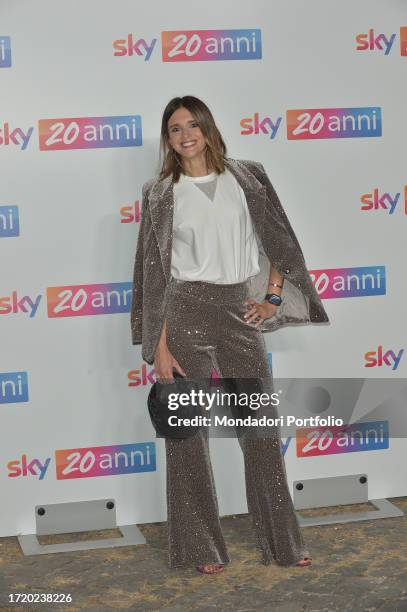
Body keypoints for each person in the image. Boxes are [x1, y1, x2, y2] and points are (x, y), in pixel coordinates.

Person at [131, 95, 329, 575]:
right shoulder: (160, 192)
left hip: (239, 311)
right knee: (186, 436)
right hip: (182, 313)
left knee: (260, 431)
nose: (185, 134)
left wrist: (273, 298)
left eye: (192, 124)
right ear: (168, 139)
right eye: (175, 128)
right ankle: (200, 548)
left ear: (208, 128)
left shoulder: (248, 176)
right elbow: (151, 274)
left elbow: (280, 241)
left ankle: (283, 543)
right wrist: (157, 345)